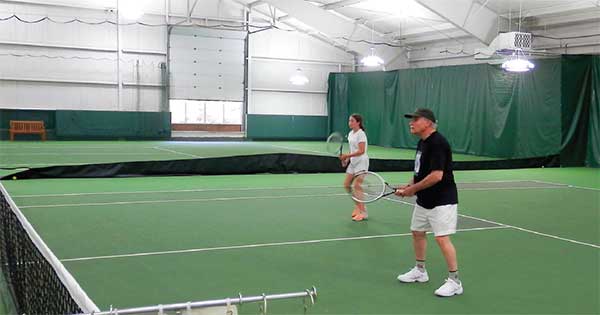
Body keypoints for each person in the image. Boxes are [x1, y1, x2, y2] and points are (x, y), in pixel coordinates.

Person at [395, 108, 463, 297]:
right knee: (417, 233)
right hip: (424, 199)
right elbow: (420, 172)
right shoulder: (422, 143)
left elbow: (436, 176)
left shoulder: (438, 143)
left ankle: (455, 281)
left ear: (428, 122)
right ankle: (420, 271)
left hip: (442, 199)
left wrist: (412, 190)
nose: (411, 123)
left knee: (441, 238)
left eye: (415, 119)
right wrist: (408, 185)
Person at [340, 114, 369, 221]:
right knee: (347, 185)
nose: (350, 123)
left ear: (358, 122)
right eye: (349, 120)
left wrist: (347, 156)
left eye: (352, 121)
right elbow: (353, 150)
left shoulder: (361, 134)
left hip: (362, 161)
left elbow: (361, 151)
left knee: (357, 186)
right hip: (353, 162)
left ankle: (363, 212)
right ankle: (358, 206)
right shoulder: (351, 133)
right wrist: (346, 159)